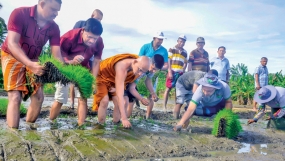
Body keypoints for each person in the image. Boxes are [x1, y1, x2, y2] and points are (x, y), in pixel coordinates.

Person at [1, 0, 63, 128]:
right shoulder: (19, 14)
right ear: (42, 3)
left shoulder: (54, 28)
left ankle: (29, 128)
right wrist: (29, 64)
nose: (56, 13)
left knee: (39, 97)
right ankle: (14, 134)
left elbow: (57, 55)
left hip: (33, 58)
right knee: (15, 96)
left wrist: (67, 72)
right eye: (53, 9)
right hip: (11, 54)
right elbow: (12, 43)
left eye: (58, 10)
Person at [49, 18, 103, 126]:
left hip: (83, 70)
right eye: (89, 37)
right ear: (83, 31)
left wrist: (93, 80)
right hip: (65, 69)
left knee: (83, 98)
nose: (92, 41)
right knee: (60, 99)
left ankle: (81, 125)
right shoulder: (68, 38)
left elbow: (96, 62)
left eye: (95, 38)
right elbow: (56, 58)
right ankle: (50, 121)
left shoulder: (99, 42)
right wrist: (70, 61)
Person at [92, 54, 151, 128]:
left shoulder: (139, 67)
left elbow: (128, 86)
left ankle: (115, 124)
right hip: (102, 76)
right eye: (139, 70)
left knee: (120, 102)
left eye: (143, 72)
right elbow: (120, 95)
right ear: (135, 62)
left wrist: (141, 98)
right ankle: (100, 126)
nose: (140, 74)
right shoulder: (122, 66)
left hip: (115, 80)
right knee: (105, 101)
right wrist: (124, 118)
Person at [69, 9, 104, 109]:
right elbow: (73, 37)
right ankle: (71, 102)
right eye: (97, 18)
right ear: (92, 15)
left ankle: (83, 101)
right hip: (76, 55)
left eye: (100, 20)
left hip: (89, 56)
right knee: (73, 80)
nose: (99, 21)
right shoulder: (80, 23)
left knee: (88, 77)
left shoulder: (98, 28)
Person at [138, 31, 169, 119]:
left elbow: (166, 65)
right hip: (141, 72)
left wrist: (157, 67)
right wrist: (147, 66)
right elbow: (139, 59)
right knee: (135, 92)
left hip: (153, 74)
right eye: (159, 39)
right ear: (154, 38)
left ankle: (148, 116)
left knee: (150, 96)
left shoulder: (164, 51)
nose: (160, 41)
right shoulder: (145, 47)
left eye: (162, 40)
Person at [163, 35, 188, 111]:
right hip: (172, 71)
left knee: (177, 91)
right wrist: (169, 71)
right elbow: (169, 60)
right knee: (168, 89)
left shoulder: (185, 52)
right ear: (177, 41)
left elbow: (185, 62)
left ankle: (175, 108)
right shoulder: (172, 49)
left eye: (183, 42)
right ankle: (164, 107)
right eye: (180, 41)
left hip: (180, 73)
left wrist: (183, 69)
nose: (181, 43)